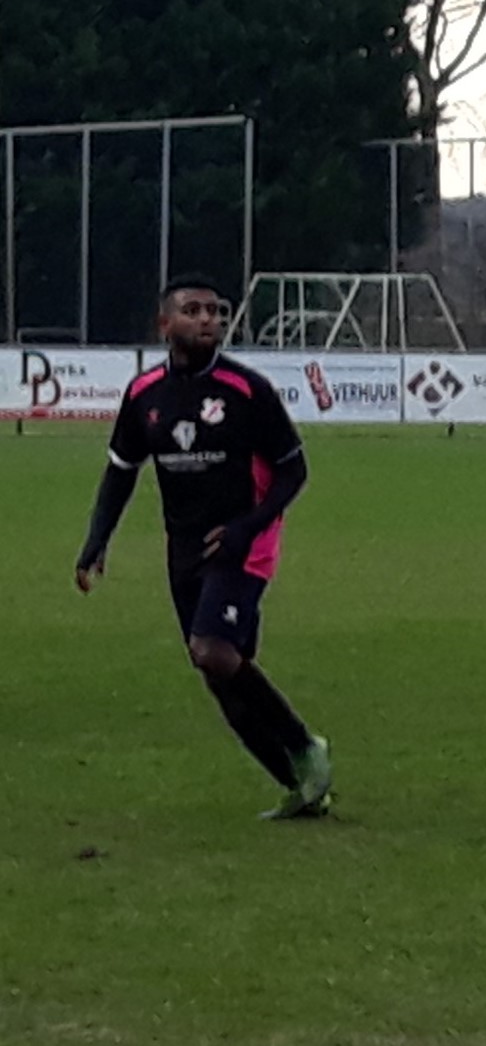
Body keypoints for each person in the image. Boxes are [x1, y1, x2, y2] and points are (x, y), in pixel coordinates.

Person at [73, 275, 336, 819]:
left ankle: (305, 746)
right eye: (192, 311)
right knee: (220, 677)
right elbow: (121, 471)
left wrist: (250, 525)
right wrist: (97, 541)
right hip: (184, 548)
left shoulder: (246, 390)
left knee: (211, 650)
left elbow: (294, 471)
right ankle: (299, 788)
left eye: (215, 311)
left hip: (244, 541)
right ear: (165, 324)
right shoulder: (145, 395)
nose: (208, 319)